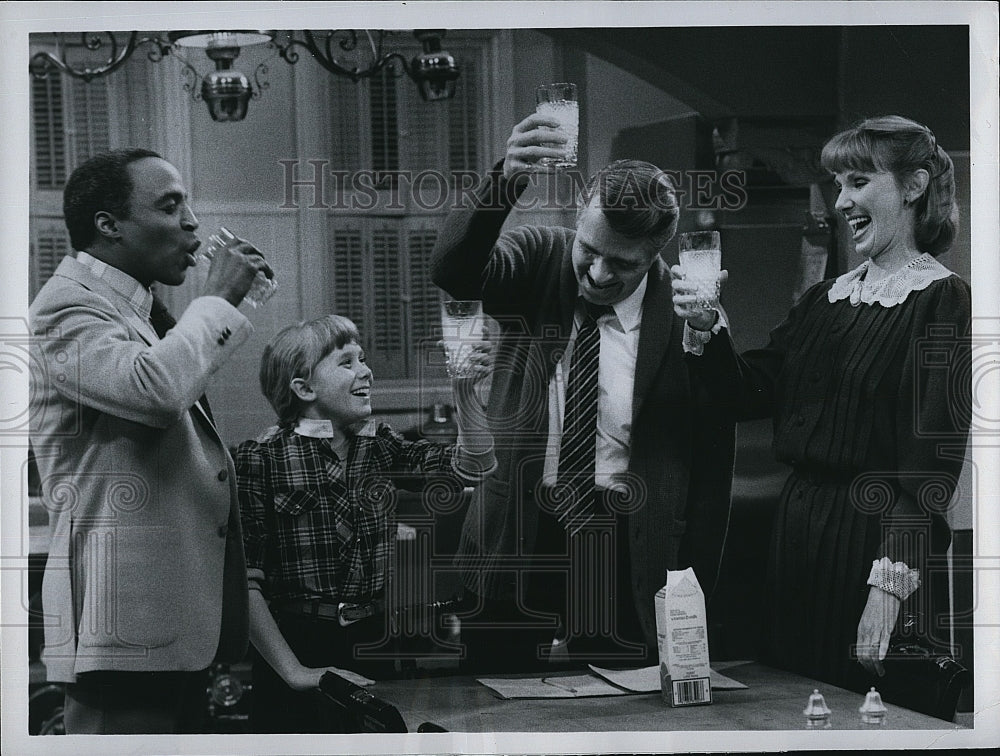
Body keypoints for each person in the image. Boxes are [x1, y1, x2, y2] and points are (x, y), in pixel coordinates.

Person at [672, 115, 972, 695]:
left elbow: (928, 470)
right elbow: (748, 392)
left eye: (858, 182)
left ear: (913, 187)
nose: (842, 202)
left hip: (879, 546)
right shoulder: (825, 298)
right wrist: (708, 328)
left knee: (872, 712)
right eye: (839, 185)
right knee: (793, 705)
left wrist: (888, 593)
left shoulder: (944, 300)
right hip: (798, 538)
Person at [430, 113, 737, 671]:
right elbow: (455, 271)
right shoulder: (540, 258)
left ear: (655, 256)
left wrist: (692, 581)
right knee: (499, 708)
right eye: (589, 250)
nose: (596, 273)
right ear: (579, 221)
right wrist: (505, 179)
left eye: (622, 264)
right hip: (517, 533)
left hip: (623, 545)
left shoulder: (689, 313)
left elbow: (713, 460)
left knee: (621, 716)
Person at [29, 148, 272, 733]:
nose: (192, 221)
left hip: (169, 623)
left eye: (188, 202)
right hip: (125, 625)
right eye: (170, 205)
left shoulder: (137, 309)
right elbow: (156, 391)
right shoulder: (66, 306)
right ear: (108, 225)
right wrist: (216, 300)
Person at [234, 314, 495, 732]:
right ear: (304, 389)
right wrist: (296, 671)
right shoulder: (258, 459)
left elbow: (474, 467)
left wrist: (466, 392)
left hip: (372, 641)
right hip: (295, 646)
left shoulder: (378, 444)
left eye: (363, 358)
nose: (366, 370)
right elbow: (244, 583)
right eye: (346, 362)